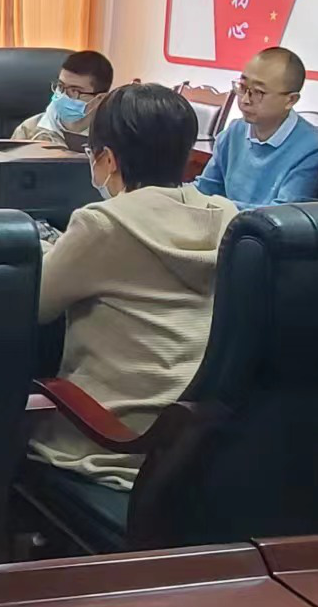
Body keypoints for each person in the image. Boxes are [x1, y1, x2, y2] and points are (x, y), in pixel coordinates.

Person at [28, 83, 239, 491]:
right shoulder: (227, 216)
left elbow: (37, 305)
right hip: (198, 446)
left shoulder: (104, 223)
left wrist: (43, 249)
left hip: (115, 437)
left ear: (107, 158)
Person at [194, 47, 318, 208]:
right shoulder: (235, 131)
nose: (245, 100)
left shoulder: (315, 149)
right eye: (242, 87)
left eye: (258, 92)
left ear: (291, 100)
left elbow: (281, 213)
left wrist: (217, 207)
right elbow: (205, 189)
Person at [13, 50, 114, 152]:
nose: (63, 96)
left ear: (100, 99)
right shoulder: (28, 131)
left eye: (74, 91)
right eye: (60, 86)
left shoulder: (114, 137)